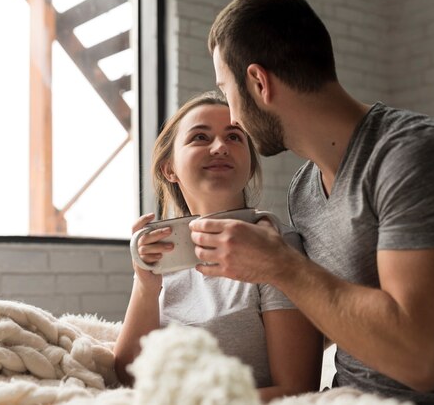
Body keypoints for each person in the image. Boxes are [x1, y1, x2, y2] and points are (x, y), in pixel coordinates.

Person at [190, 0, 434, 404]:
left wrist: (280, 266)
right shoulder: (305, 191)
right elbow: (335, 315)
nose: (234, 116)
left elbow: (421, 362)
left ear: (259, 82)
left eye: (227, 92)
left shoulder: (417, 156)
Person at [113, 91, 322, 402]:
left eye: (235, 137)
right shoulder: (158, 253)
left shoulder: (276, 244)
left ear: (250, 165)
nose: (221, 146)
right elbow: (129, 378)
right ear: (169, 168)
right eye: (200, 136)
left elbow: (298, 388)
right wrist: (145, 286)